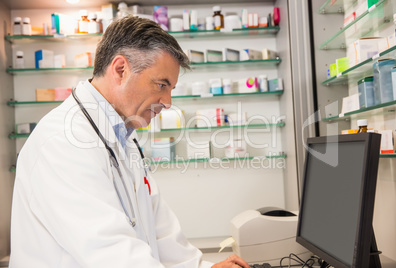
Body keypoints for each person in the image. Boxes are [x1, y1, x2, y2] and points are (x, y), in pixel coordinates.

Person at [9, 16, 249, 268]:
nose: (167, 102)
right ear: (121, 69)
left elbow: (159, 230)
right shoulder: (63, 141)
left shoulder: (123, 135)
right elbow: (111, 253)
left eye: (171, 89)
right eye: (161, 84)